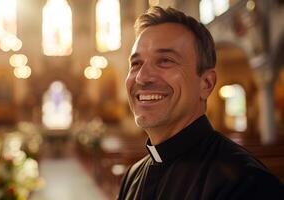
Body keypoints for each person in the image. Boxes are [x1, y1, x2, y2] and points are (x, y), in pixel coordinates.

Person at [118, 6, 284, 200]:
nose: (142, 77)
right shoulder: (132, 177)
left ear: (206, 84)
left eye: (165, 60)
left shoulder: (247, 184)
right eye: (136, 64)